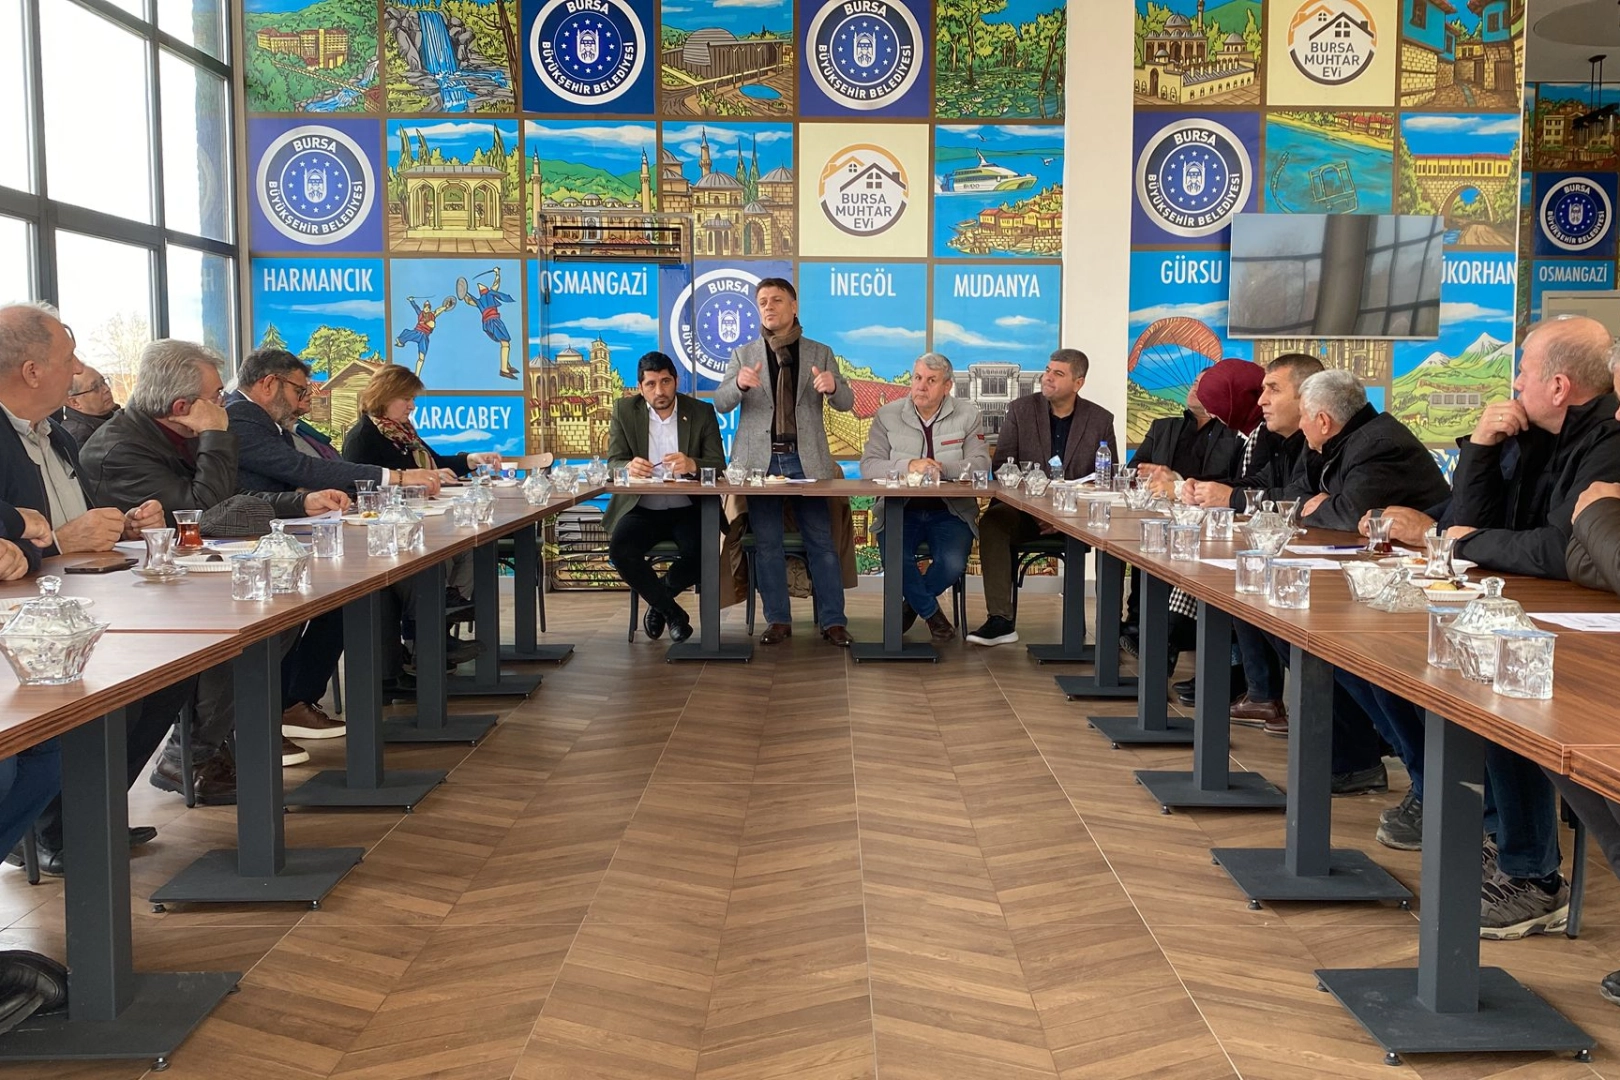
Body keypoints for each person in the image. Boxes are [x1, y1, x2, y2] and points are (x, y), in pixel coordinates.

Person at [79, 339, 354, 800]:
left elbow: (229, 502)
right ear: (182, 406)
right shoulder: (122, 448)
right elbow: (203, 512)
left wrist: (300, 502)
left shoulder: (178, 432)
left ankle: (209, 746)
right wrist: (216, 435)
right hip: (134, 596)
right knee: (250, 622)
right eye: (215, 396)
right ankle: (192, 757)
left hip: (183, 579)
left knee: (277, 615)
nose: (223, 403)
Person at [0, 302, 170, 870]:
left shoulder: (58, 437)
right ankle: (56, 829)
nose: (77, 370)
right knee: (41, 744)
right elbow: (25, 545)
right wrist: (57, 543)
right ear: (31, 371)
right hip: (26, 629)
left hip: (87, 601)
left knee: (165, 676)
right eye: (68, 358)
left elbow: (73, 521)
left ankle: (83, 814)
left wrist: (122, 524)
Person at [1186, 353, 1325, 730]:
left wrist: (1228, 496)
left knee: (1249, 580)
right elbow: (1262, 485)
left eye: (1272, 389)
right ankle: (1264, 695)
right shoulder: (1280, 439)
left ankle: (1319, 719)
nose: (1261, 400)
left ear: (1308, 396)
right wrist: (1209, 490)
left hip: (1328, 567)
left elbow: (1296, 500)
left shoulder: (1321, 443)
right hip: (1298, 553)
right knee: (1243, 580)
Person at [713, 278, 854, 647]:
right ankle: (778, 620)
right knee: (768, 544)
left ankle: (834, 622)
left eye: (776, 300)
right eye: (762, 301)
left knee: (821, 541)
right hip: (760, 463)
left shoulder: (820, 352)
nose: (768, 306)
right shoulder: (744, 354)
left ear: (794, 306)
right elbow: (721, 403)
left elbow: (846, 403)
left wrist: (833, 386)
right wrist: (738, 385)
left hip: (807, 461)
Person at [966, 348, 1115, 647]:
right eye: (1048, 370)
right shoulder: (1020, 410)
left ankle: (1111, 628)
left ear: (1078, 383)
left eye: (1058, 374)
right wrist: (1039, 511)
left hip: (1077, 517)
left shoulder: (1099, 419)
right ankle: (1000, 620)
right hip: (1024, 512)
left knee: (1114, 534)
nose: (1047, 378)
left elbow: (1105, 479)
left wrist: (1065, 516)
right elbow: (1003, 467)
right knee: (993, 522)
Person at [860, 352, 989, 640]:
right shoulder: (888, 415)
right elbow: (869, 465)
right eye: (917, 378)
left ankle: (911, 608)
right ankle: (932, 614)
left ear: (947, 386)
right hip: (899, 509)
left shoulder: (968, 415)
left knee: (952, 563)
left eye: (931, 380)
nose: (921, 385)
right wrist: (909, 466)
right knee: (896, 557)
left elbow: (981, 465)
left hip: (950, 510)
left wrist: (943, 468)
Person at [1158, 358, 1265, 699]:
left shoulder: (1265, 435)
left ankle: (1176, 656)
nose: (1215, 414)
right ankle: (1176, 655)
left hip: (1260, 542)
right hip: (1245, 533)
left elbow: (1262, 487)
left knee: (1209, 572)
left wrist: (1205, 489)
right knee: (1198, 567)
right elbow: (1242, 482)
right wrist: (1198, 487)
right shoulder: (1251, 433)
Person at [604, 351, 725, 644]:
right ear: (640, 387)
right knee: (620, 551)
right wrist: (628, 467)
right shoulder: (624, 410)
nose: (659, 391)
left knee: (706, 552)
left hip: (688, 507)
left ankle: (659, 602)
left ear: (676, 381)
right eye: (651, 384)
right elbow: (613, 462)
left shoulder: (700, 411)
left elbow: (719, 464)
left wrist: (693, 464)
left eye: (666, 382)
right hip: (642, 506)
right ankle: (672, 613)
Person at [227, 347, 442, 496]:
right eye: (298, 391)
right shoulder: (241, 415)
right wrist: (399, 478)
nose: (299, 401)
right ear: (269, 384)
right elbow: (302, 468)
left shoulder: (261, 420)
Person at [1284, 369, 1450, 531]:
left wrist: (1325, 504)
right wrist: (1327, 503)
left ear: (1324, 422)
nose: (1300, 425)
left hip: (1420, 547)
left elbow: (1353, 516)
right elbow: (1293, 493)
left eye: (1302, 416)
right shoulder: (1332, 444)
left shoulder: (1378, 446)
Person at [341, 364, 505, 480]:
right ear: (384, 398)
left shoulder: (403, 432)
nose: (412, 406)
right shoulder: (361, 438)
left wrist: (472, 459)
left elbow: (437, 464)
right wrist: (417, 479)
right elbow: (358, 486)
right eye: (406, 399)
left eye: (413, 399)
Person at [462, 271, 518, 380]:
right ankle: (504, 369)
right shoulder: (490, 294)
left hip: (487, 324)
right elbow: (496, 283)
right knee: (505, 343)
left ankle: (506, 364)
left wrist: (463, 294)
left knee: (503, 342)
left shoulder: (479, 301)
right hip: (494, 321)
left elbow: (468, 301)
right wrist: (497, 273)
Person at [56, 364, 119, 447]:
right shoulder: (78, 438)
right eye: (95, 387)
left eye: (103, 382)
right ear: (74, 402)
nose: (106, 389)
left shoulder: (117, 415)